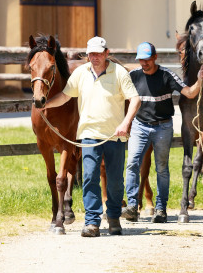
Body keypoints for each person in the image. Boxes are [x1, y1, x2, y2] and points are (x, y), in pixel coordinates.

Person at [42, 36, 140, 238]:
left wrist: (125, 123)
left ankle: (113, 217)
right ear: (87, 55)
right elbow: (65, 96)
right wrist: (47, 104)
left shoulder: (119, 73)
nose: (94, 57)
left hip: (115, 136)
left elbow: (135, 99)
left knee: (114, 181)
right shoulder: (80, 73)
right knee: (89, 178)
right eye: (91, 54)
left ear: (106, 53)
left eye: (98, 53)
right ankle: (92, 222)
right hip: (88, 135)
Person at [121, 41, 203, 224]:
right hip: (140, 126)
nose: (144, 63)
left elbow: (190, 93)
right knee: (132, 164)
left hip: (163, 127)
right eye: (141, 60)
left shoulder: (167, 75)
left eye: (147, 60)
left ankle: (160, 208)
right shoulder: (133, 76)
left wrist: (200, 80)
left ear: (155, 57)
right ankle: (132, 206)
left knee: (161, 168)